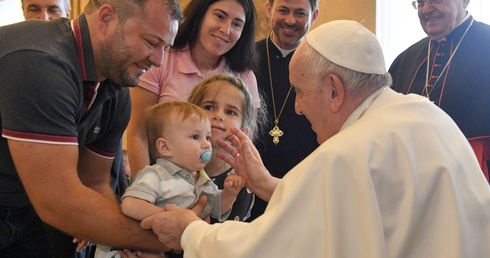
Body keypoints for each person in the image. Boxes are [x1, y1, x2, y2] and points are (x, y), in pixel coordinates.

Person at [139, 20, 490, 257]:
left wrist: (190, 232)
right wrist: (266, 184)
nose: (299, 109)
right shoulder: (423, 114)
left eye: (300, 92)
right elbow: (351, 206)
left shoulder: (348, 151)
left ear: (334, 91)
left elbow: (272, 248)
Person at [0, 0, 183, 256]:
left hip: (28, 213)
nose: (159, 60)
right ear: (107, 18)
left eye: (166, 48)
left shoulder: (116, 89)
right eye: (152, 43)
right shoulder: (41, 62)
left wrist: (127, 245)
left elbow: (94, 181)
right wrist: (167, 240)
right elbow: (58, 201)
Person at [126, 0, 261, 177]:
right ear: (200, 14)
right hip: (161, 178)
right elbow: (138, 134)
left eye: (236, 24)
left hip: (222, 182)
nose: (225, 30)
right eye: (220, 16)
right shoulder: (162, 60)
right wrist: (146, 190)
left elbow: (244, 144)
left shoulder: (245, 76)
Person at [95, 101, 244, 258]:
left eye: (207, 137)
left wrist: (229, 193)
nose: (206, 144)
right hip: (123, 250)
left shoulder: (203, 181)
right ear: (165, 147)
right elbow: (130, 205)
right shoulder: (156, 175)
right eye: (195, 137)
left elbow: (217, 209)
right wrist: (170, 218)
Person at [389, 0, 490, 182]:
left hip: (476, 182)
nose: (426, 9)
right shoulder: (405, 60)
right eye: (420, 2)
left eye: (436, 0)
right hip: (413, 181)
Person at [249, 0, 319, 221]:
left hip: (304, 187)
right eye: (283, 11)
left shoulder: (322, 64)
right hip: (249, 187)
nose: (290, 20)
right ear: (269, 10)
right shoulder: (246, 58)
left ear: (314, 16)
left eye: (300, 13)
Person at [188, 74, 266, 222]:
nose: (218, 115)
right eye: (209, 107)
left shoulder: (239, 181)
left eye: (230, 112)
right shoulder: (171, 164)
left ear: (243, 132)